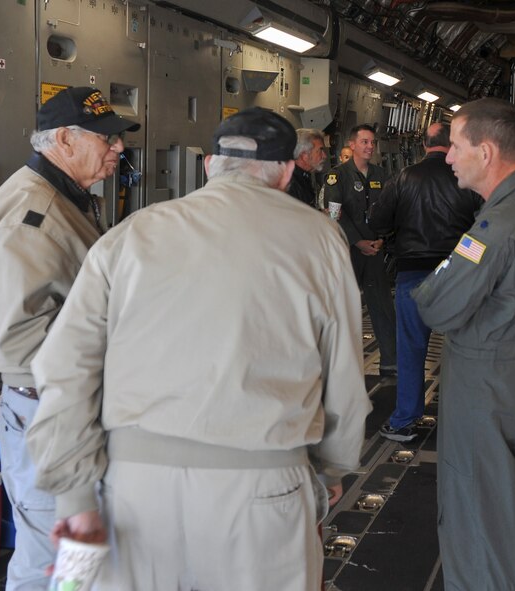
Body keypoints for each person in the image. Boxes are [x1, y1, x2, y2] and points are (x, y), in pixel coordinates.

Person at [25, 108, 371, 590]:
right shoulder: (320, 240)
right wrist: (331, 468)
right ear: (288, 171)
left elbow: (65, 370)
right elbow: (345, 380)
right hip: (263, 490)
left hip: (134, 493)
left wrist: (77, 499)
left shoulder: (130, 236)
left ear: (209, 164)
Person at [0, 87, 138, 590]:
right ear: (64, 139)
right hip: (48, 412)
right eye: (107, 138)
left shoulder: (65, 196)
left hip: (66, 406)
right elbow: (17, 339)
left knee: (78, 549)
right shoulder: (32, 216)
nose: (119, 149)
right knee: (52, 553)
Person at [412, 98, 515, 591]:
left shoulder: (494, 227)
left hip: (484, 388)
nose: (448, 156)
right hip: (514, 380)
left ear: (487, 151)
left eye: (455, 146)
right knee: (494, 513)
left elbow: (436, 303)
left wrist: (432, 283)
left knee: (474, 525)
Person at [369, 122, 482, 442]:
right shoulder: (465, 180)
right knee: (464, 350)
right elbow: (483, 230)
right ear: (453, 146)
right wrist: (468, 260)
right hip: (457, 276)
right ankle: (465, 419)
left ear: (424, 144)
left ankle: (405, 419)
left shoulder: (404, 177)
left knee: (411, 350)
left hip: (412, 277)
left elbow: (378, 221)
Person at [325, 124, 397, 377]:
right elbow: (334, 214)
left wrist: (381, 240)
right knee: (344, 308)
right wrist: (357, 241)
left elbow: (391, 209)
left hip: (375, 251)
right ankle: (341, 366)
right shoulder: (337, 176)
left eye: (372, 143)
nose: (369, 146)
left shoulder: (382, 175)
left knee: (383, 308)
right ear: (352, 144)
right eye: (364, 142)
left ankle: (390, 362)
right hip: (349, 251)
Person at [287, 127, 326, 208]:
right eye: (320, 150)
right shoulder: (289, 184)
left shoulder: (303, 177)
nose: (324, 156)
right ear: (305, 155)